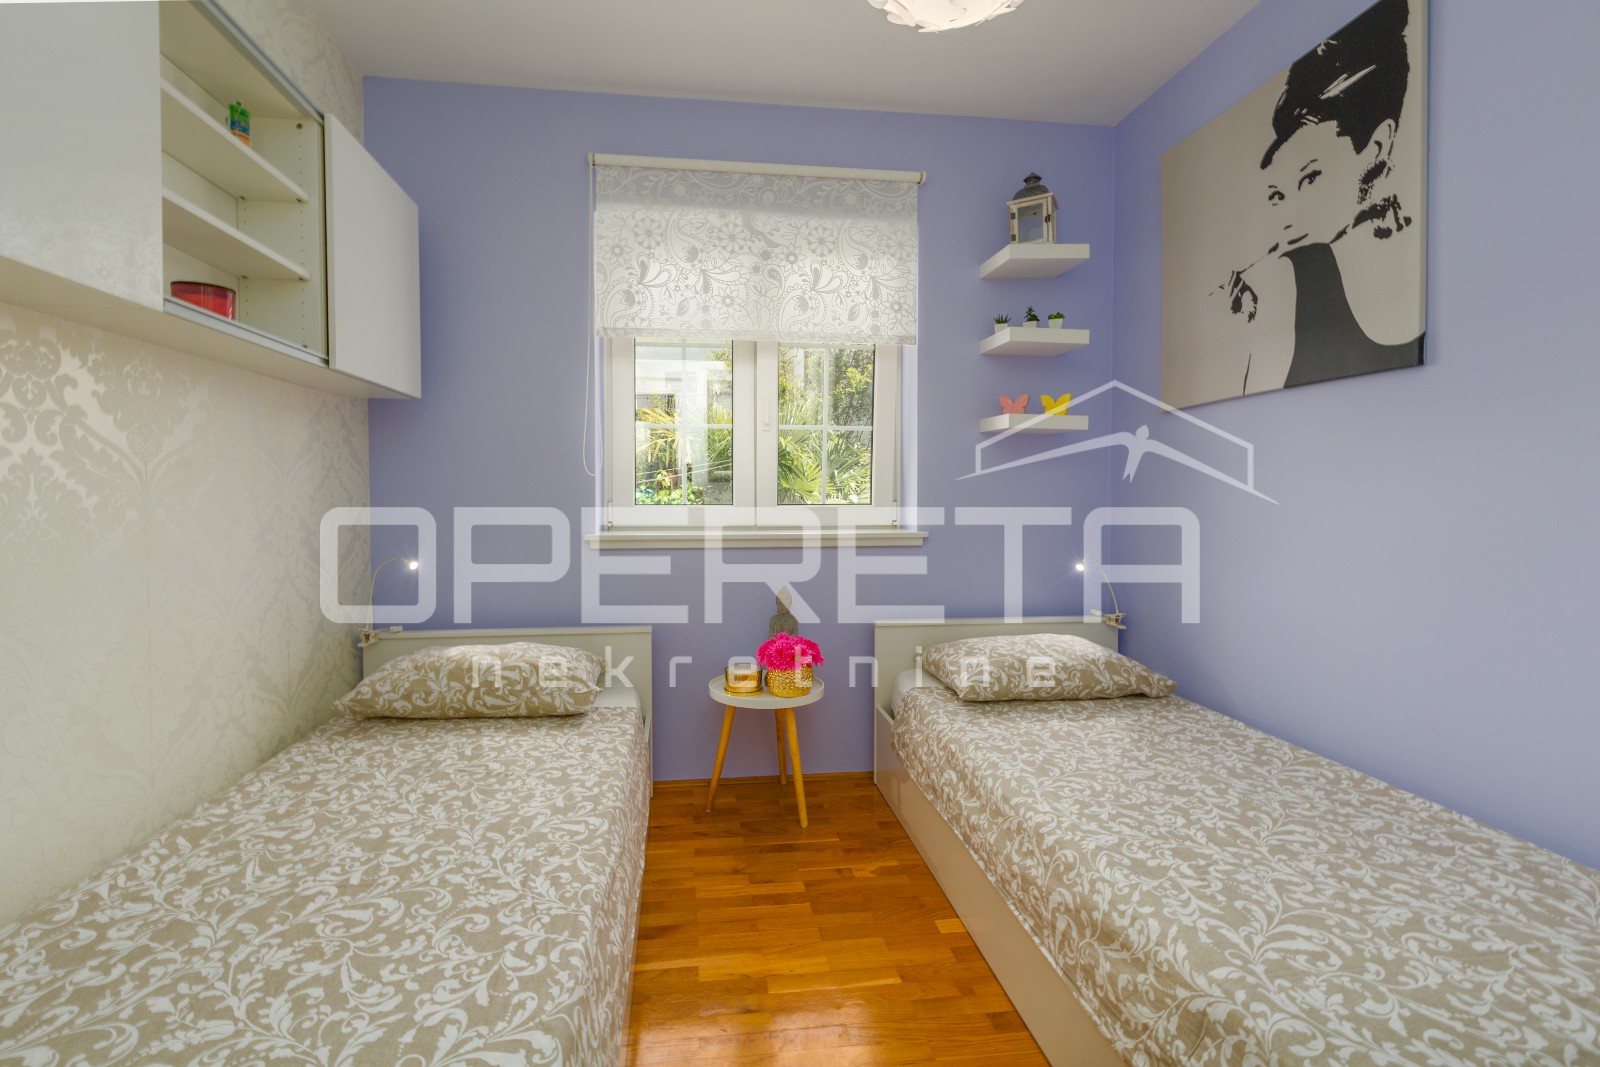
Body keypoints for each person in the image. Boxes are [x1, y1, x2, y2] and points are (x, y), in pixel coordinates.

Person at [1224, 0, 1424, 394]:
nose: (1288, 216)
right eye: (1278, 195)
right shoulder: (1284, 280)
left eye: (1311, 178)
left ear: (1378, 147)